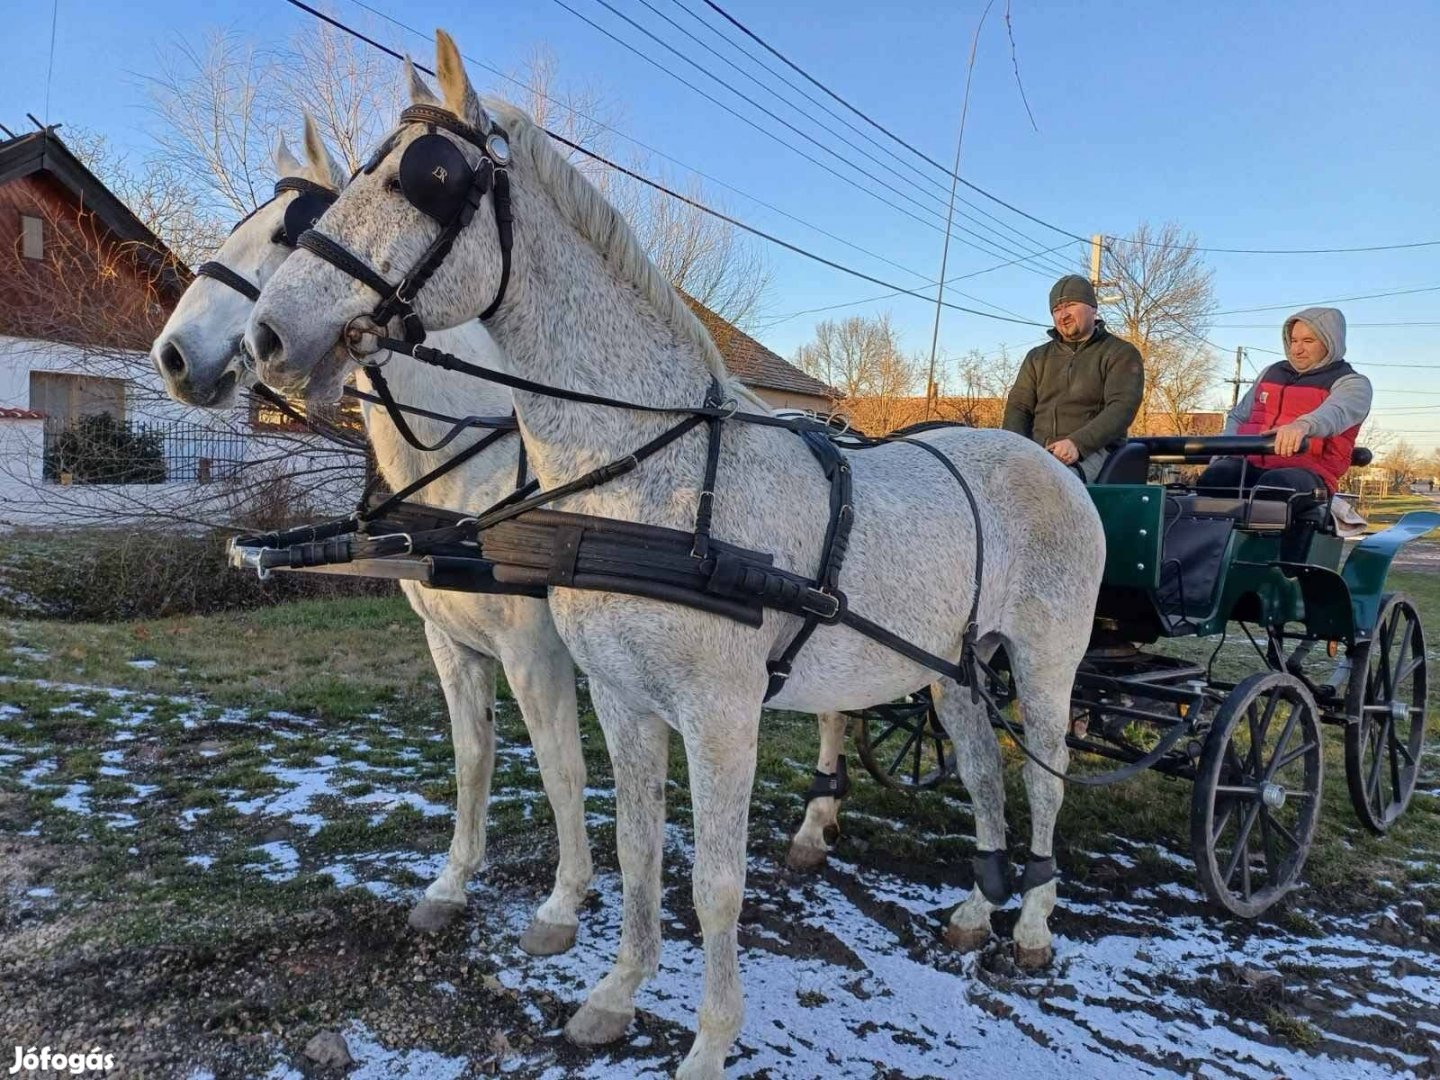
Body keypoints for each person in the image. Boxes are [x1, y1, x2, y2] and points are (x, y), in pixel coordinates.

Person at [1197, 306, 1372, 558]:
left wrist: (1303, 426)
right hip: (1252, 463)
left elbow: (1335, 413)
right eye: (1293, 340)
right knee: (1216, 479)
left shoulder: (1352, 384)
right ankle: (1203, 565)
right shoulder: (1271, 373)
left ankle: (1280, 573)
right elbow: (1238, 415)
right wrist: (1222, 451)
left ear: (1330, 341)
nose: (1296, 349)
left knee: (1276, 490)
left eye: (1308, 341)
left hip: (1309, 475)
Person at [1002, 274, 1144, 482]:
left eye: (1070, 305)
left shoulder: (1120, 353)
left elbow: (1122, 407)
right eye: (1056, 310)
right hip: (1038, 451)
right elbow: (1018, 407)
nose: (1063, 315)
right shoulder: (1037, 357)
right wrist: (1016, 450)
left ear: (1093, 308)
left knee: (1050, 484)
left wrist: (1077, 444)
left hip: (1095, 450)